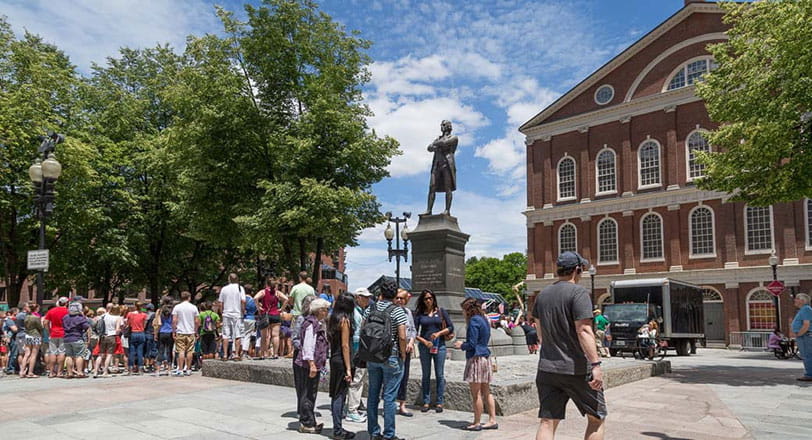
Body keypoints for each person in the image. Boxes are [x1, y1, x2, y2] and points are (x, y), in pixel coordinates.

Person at [532, 251, 607, 440]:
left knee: (548, 421)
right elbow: (584, 331)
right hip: (577, 369)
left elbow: (540, 333)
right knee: (596, 418)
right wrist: (596, 365)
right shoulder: (578, 292)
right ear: (576, 270)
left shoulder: (542, 295)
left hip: (547, 368)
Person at [364, 279, 408, 440]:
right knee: (389, 397)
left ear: (380, 292)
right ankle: (389, 434)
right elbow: (402, 336)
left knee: (373, 395)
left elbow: (363, 329)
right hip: (391, 356)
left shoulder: (370, 308)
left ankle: (374, 432)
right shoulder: (397, 311)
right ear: (395, 293)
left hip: (372, 356)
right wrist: (403, 354)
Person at [454, 298, 498, 431]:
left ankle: (477, 422)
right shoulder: (484, 319)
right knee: (487, 391)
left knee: (476, 393)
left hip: (476, 359)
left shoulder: (473, 321)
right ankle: (492, 420)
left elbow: (472, 344)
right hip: (485, 357)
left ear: (468, 310)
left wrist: (461, 345)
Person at [413, 288, 454, 413]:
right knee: (426, 374)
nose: (428, 301)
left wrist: (439, 333)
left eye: (430, 298)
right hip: (425, 346)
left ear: (434, 299)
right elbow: (414, 332)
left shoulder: (441, 312)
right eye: (426, 298)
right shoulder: (420, 314)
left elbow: (450, 326)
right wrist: (424, 341)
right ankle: (426, 401)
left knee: (439, 374)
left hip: (439, 345)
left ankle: (439, 402)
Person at [295, 298, 330, 434]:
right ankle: (307, 422)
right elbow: (308, 346)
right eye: (326, 309)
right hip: (309, 364)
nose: (327, 312)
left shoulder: (316, 323)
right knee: (308, 393)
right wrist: (311, 364)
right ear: (320, 310)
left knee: (311, 392)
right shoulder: (311, 324)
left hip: (313, 363)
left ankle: (310, 421)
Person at [328, 294, 356, 439]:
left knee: (335, 393)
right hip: (342, 360)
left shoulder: (332, 319)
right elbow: (345, 345)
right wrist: (349, 368)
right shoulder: (345, 321)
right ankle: (338, 430)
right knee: (340, 394)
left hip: (334, 358)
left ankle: (337, 427)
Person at [346, 287, 373, 424]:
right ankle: (352, 410)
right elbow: (357, 336)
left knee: (358, 380)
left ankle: (353, 406)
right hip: (358, 352)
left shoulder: (358, 312)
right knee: (357, 380)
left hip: (358, 351)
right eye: (365, 297)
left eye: (368, 297)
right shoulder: (356, 314)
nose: (367, 299)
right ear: (358, 298)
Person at [292, 295, 317, 417]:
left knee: (311, 387)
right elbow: (295, 338)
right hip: (301, 356)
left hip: (313, 356)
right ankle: (301, 410)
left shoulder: (318, 320)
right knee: (301, 385)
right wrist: (304, 349)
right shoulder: (301, 319)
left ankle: (308, 409)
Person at [255, 276, 288, 359]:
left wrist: (259, 308)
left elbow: (255, 298)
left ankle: (263, 354)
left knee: (264, 336)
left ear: (267, 284)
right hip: (275, 314)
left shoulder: (263, 292)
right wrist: (281, 309)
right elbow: (286, 299)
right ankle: (275, 354)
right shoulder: (277, 293)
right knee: (275, 335)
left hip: (265, 314)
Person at [395, 289, 416, 417]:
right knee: (392, 377)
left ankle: (402, 404)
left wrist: (411, 342)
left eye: (401, 298)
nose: (399, 300)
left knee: (404, 376)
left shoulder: (408, 312)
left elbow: (413, 330)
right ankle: (390, 403)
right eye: (397, 298)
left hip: (406, 349)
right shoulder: (390, 311)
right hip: (394, 349)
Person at [172, 291, 201, 376]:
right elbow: (197, 321)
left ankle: (180, 369)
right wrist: (196, 331)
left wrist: (174, 331)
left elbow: (174, 320)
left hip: (180, 331)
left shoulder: (177, 307)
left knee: (181, 351)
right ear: (189, 297)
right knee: (190, 351)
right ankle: (188, 369)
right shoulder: (194, 307)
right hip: (190, 332)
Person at [218, 273, 246, 361]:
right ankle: (236, 354)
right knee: (238, 334)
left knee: (226, 335)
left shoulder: (224, 289)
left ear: (229, 279)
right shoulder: (240, 288)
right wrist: (243, 310)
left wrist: (222, 312)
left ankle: (225, 355)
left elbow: (220, 303)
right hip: (237, 314)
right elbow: (243, 301)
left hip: (226, 313)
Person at [62, 300, 90, 378]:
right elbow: (87, 327)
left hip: (66, 338)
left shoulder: (65, 317)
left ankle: (69, 373)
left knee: (68, 356)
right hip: (77, 338)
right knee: (79, 355)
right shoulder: (80, 318)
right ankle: (80, 372)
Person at [43, 296, 69, 377]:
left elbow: (45, 322)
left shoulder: (52, 311)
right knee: (62, 352)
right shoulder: (68, 311)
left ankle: (51, 372)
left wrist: (49, 331)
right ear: (66, 303)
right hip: (64, 333)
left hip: (53, 333)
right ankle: (59, 372)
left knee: (52, 352)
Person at [94, 305, 122, 378]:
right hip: (112, 336)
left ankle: (95, 371)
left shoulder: (104, 315)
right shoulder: (118, 318)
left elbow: (96, 322)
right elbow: (117, 330)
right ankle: (105, 371)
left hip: (103, 336)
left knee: (100, 354)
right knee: (109, 355)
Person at [789, 293, 812, 381]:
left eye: (797, 298)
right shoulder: (803, 309)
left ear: (802, 300)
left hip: (805, 336)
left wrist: (799, 334)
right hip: (804, 336)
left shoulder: (806, 309)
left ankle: (809, 375)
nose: (795, 300)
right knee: (807, 355)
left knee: (807, 355)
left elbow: (806, 325)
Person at [20, 303, 43, 378]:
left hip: (27, 335)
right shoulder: (36, 318)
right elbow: (40, 327)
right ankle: (30, 372)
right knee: (34, 354)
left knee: (26, 354)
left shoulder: (26, 317)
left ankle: (22, 371)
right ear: (36, 309)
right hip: (35, 335)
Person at [153, 297, 175, 376]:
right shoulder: (173, 311)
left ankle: (158, 370)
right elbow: (174, 323)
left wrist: (155, 334)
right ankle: (169, 369)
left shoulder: (159, 311)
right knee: (169, 351)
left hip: (161, 332)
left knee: (160, 351)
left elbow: (158, 324)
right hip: (170, 333)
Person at [125, 301, 148, 374]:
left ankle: (130, 369)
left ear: (134, 305)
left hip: (133, 333)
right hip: (141, 333)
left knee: (131, 352)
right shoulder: (144, 315)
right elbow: (144, 326)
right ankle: (140, 369)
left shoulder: (130, 314)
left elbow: (128, 324)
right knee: (140, 352)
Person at [242, 286, 257, 359]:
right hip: (251, 318)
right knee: (247, 336)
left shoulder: (241, 299)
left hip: (242, 318)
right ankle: (244, 352)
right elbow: (256, 309)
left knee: (240, 335)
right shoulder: (253, 300)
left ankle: (237, 351)